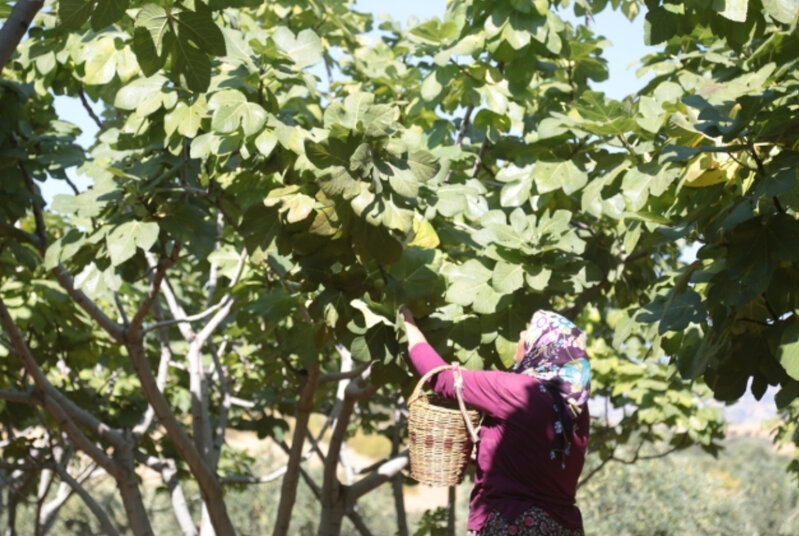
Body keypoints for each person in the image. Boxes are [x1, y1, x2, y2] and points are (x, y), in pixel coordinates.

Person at [399, 306, 590, 536]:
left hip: (511, 524)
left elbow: (443, 380)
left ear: (542, 346)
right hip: (564, 528)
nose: (520, 335)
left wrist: (408, 322)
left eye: (528, 331)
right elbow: (535, 458)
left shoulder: (519, 391)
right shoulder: (577, 404)